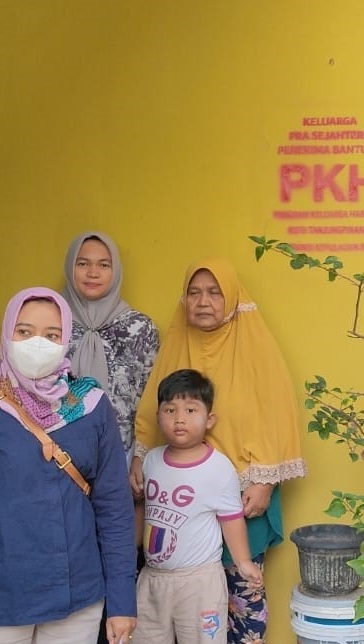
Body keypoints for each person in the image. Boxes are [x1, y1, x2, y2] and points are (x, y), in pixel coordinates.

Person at [0, 288, 136, 644]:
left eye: (52, 335)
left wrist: (122, 601)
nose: (38, 343)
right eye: (24, 331)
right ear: (6, 333)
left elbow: (114, 509)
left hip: (77, 600)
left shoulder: (91, 407)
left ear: (66, 340)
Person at [131, 259, 306, 644]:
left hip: (244, 491)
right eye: (194, 293)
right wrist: (140, 457)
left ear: (232, 298)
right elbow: (151, 408)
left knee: (241, 593)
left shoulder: (256, 346)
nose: (203, 301)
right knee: (178, 605)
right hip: (181, 494)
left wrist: (265, 481)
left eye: (214, 293)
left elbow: (277, 413)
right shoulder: (176, 345)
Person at [135, 369, 263, 644]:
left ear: (209, 420)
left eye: (191, 410)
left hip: (199, 583)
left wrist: (243, 562)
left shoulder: (218, 468)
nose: (179, 418)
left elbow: (231, 519)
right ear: (158, 416)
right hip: (152, 579)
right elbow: (144, 511)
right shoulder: (151, 461)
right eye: (170, 410)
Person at [63, 231, 162, 455]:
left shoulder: (140, 328)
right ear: (70, 267)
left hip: (119, 453)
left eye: (104, 265)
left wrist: (140, 456)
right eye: (83, 263)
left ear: (115, 270)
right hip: (54, 450)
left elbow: (150, 402)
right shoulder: (51, 323)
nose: (93, 273)